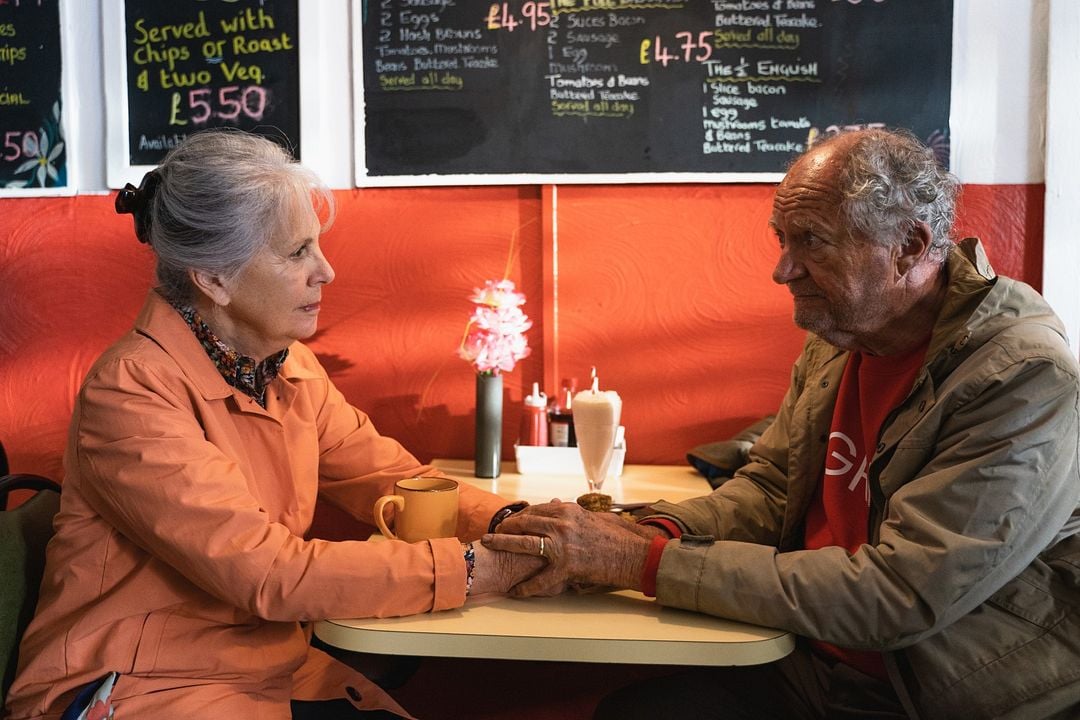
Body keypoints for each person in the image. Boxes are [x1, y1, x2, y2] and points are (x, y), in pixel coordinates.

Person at [485, 128, 1080, 720]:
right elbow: (772, 487)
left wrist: (637, 560)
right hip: (813, 654)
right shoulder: (844, 331)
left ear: (907, 245)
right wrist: (650, 529)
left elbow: (901, 594)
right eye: (783, 240)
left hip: (932, 689)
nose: (783, 270)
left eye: (812, 242)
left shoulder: (1021, 375)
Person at [3, 129, 542, 720]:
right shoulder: (130, 389)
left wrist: (518, 525)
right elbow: (268, 571)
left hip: (267, 669)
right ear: (213, 278)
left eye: (317, 245)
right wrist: (485, 569)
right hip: (134, 687)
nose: (327, 271)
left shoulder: (283, 362)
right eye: (296, 253)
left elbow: (390, 479)